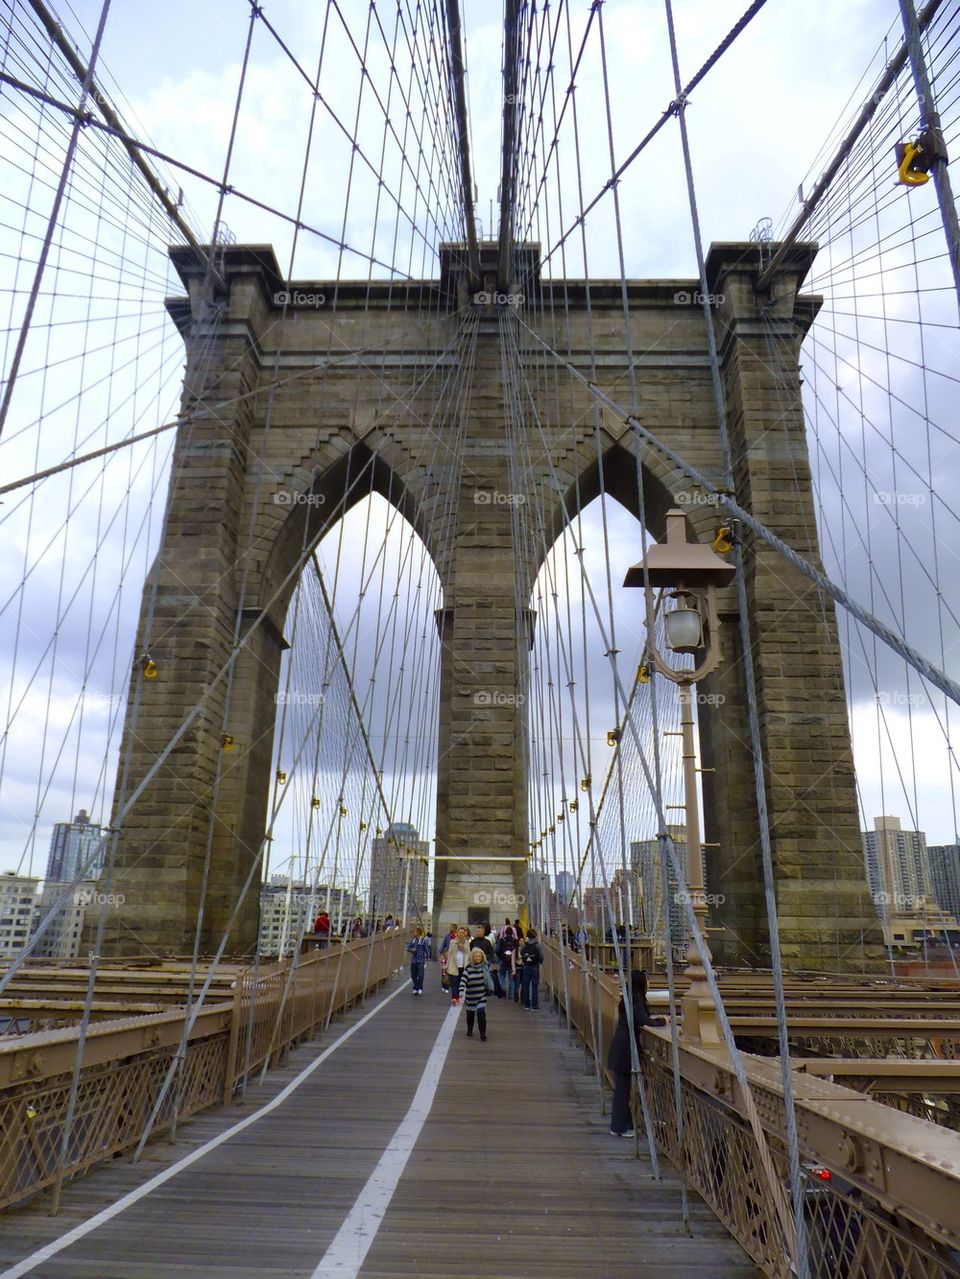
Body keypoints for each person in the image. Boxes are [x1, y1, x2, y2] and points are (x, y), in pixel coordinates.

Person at [606, 970, 665, 1137]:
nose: (649, 983)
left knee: (622, 1089)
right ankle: (619, 1127)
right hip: (625, 1048)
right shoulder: (635, 1000)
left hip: (621, 1045)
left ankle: (625, 1124)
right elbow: (642, 1020)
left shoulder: (628, 998)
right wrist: (662, 1021)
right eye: (647, 980)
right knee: (623, 1090)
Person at [461, 947, 494, 1039]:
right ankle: (470, 1029)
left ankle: (482, 1033)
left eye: (479, 956)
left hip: (481, 996)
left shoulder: (484, 968)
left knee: (481, 1013)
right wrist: (461, 990)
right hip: (470, 996)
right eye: (476, 956)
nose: (478, 958)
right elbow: (463, 980)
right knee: (470, 1014)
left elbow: (489, 979)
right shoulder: (468, 969)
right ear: (472, 957)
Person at [519, 928, 544, 1010]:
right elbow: (541, 956)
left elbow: (521, 953)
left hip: (526, 966)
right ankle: (534, 1005)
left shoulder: (524, 945)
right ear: (535, 936)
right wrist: (540, 962)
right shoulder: (537, 945)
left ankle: (527, 1004)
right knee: (534, 987)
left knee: (526, 986)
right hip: (535, 967)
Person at [444, 927, 471, 1004]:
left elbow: (468, 953)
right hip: (454, 966)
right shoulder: (453, 942)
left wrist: (462, 946)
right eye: (460, 932)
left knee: (461, 983)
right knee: (454, 982)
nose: (461, 934)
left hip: (463, 966)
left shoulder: (467, 942)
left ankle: (459, 997)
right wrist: (447, 965)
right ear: (457, 933)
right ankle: (454, 998)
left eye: (463, 932)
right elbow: (449, 953)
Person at [406, 926, 431, 994]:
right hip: (413, 960)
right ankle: (415, 987)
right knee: (413, 975)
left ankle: (420, 987)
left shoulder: (423, 941)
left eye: (415, 931)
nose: (414, 933)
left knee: (420, 974)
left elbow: (427, 949)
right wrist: (412, 950)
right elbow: (407, 948)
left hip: (421, 960)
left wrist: (428, 958)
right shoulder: (412, 941)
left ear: (418, 933)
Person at [496, 926, 517, 997]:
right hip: (512, 961)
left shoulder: (502, 940)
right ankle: (511, 994)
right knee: (511, 978)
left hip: (503, 960)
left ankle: (503, 991)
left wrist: (500, 957)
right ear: (512, 933)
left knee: (501, 976)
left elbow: (497, 950)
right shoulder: (514, 941)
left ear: (505, 932)